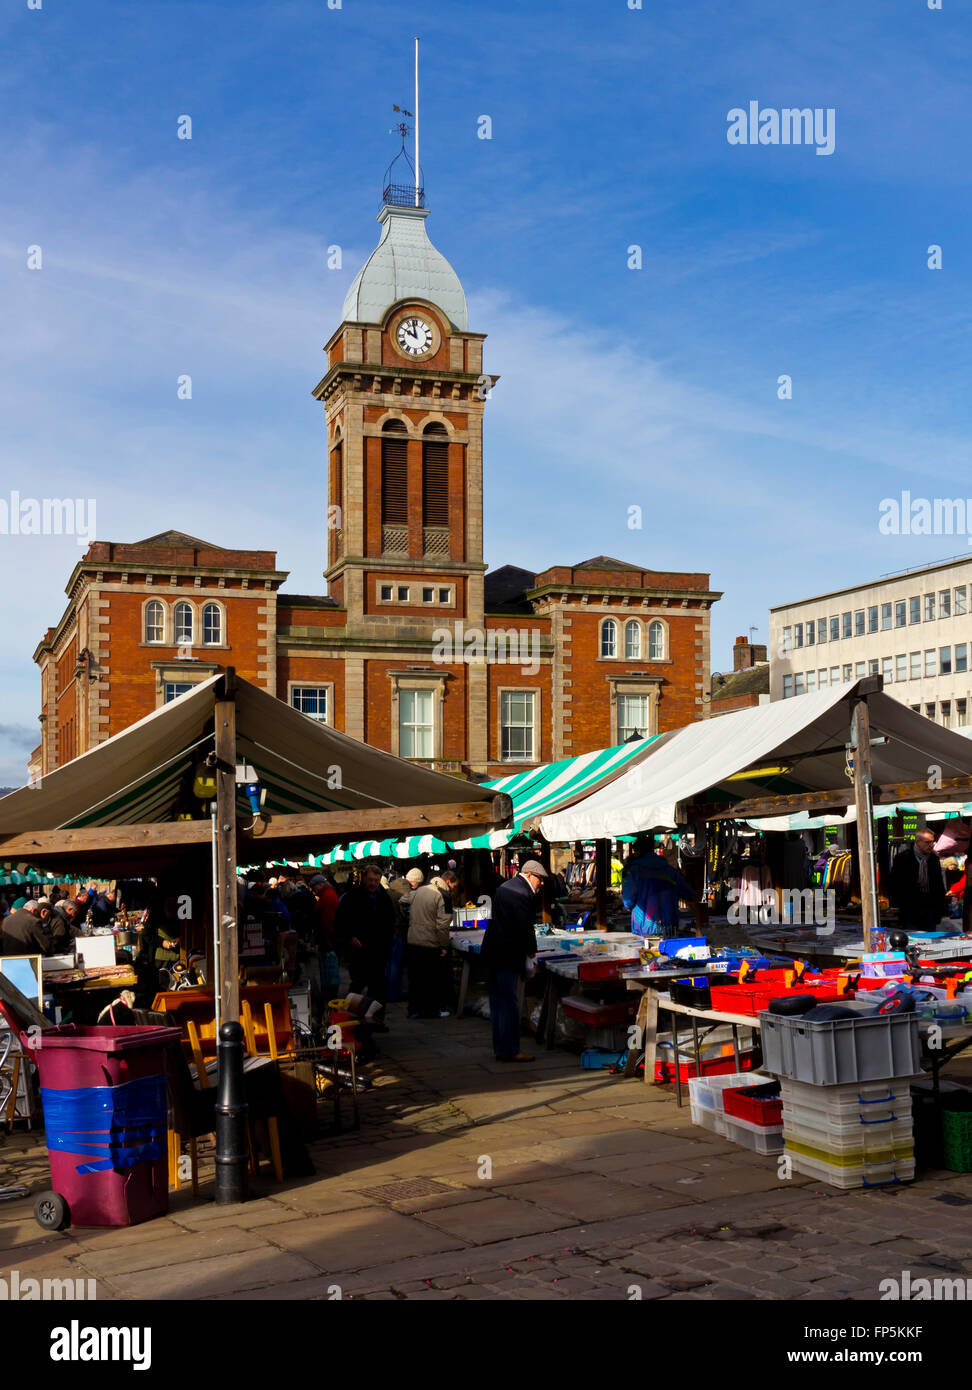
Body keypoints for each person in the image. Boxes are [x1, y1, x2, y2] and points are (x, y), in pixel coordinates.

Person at [480, 858, 546, 1062]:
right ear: (529, 874)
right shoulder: (521, 892)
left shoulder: (506, 887)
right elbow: (524, 925)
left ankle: (500, 1048)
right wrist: (531, 951)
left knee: (498, 1001)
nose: (541, 883)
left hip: (493, 952)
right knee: (509, 1003)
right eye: (540, 879)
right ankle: (510, 1050)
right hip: (507, 955)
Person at [333, 862, 397, 1006]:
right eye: (370, 880)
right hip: (359, 950)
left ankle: (375, 1018)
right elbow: (340, 921)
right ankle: (354, 1018)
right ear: (364, 879)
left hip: (379, 950)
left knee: (378, 987)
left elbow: (390, 922)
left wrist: (386, 943)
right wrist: (350, 937)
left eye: (376, 880)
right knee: (358, 984)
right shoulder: (353, 896)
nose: (373, 883)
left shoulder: (384, 898)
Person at [621, 835, 698, 938]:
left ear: (637, 851)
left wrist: (628, 906)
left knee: (646, 952)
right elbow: (689, 894)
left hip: (644, 927)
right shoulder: (670, 870)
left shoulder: (634, 870)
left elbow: (628, 900)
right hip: (669, 926)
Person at [406, 869, 457, 1018]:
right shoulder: (444, 896)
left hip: (413, 940)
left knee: (415, 979)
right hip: (429, 943)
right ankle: (430, 1011)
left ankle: (413, 1010)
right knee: (431, 980)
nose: (453, 890)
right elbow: (443, 925)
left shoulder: (421, 890)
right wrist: (443, 945)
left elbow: (403, 900)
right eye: (453, 886)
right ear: (447, 882)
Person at [890, 828, 947, 931]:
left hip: (930, 908)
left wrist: (940, 909)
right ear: (918, 842)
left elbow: (938, 885)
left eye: (932, 842)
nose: (931, 845)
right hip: (910, 909)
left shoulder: (933, 859)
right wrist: (899, 904)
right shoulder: (903, 858)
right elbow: (895, 883)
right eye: (927, 842)